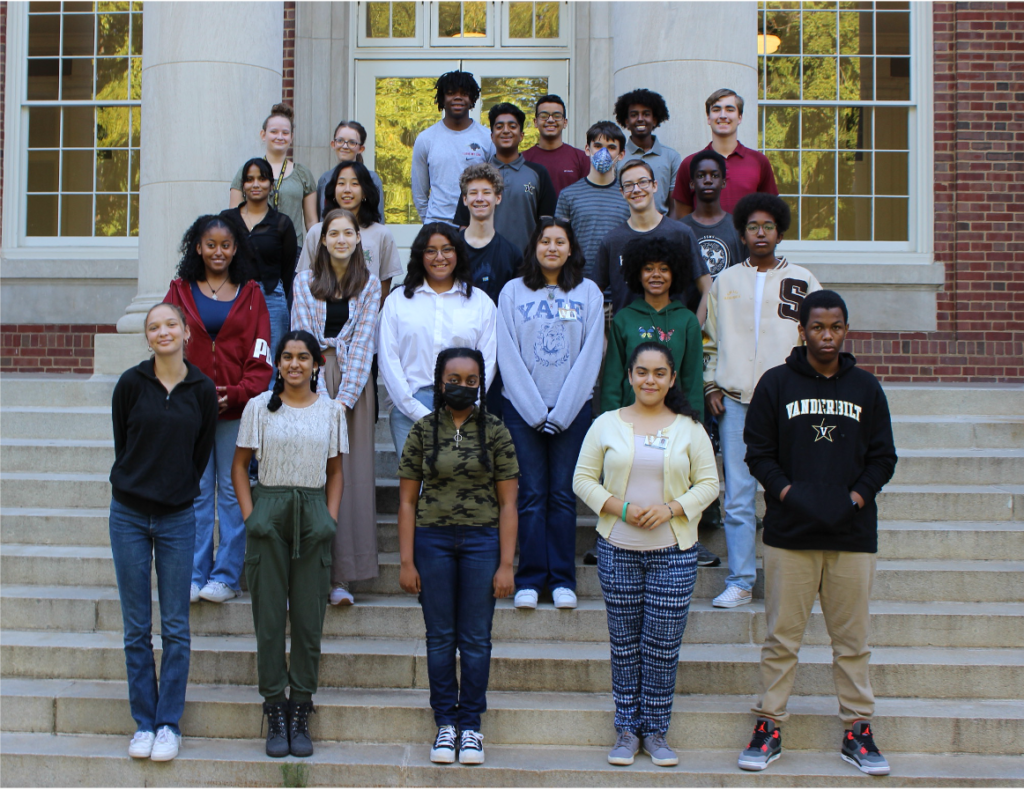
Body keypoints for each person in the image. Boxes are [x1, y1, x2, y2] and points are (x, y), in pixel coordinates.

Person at [738, 290, 897, 776]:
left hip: (851, 536)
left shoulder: (866, 388)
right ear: (801, 329)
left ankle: (857, 729)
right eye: (817, 327)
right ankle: (769, 725)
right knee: (782, 638)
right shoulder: (776, 384)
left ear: (846, 330)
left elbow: (883, 457)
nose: (826, 336)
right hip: (791, 534)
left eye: (836, 327)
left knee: (852, 642)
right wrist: (789, 496)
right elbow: (758, 453)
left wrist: (854, 499)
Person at [573, 342, 719, 768]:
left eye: (659, 373)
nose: (649, 380)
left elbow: (708, 485)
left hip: (673, 552)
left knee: (661, 646)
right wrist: (620, 507)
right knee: (624, 644)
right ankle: (625, 730)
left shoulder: (690, 428)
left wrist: (672, 509)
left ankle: (655, 731)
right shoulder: (605, 424)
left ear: (672, 379)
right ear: (630, 376)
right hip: (618, 549)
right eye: (642, 372)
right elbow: (582, 479)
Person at [397, 347, 519, 767]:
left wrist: (507, 564)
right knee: (439, 637)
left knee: (476, 639)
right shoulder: (423, 431)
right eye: (454, 379)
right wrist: (406, 560)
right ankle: (445, 723)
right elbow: (407, 503)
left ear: (481, 383)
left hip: (483, 542)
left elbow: (508, 504)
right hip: (432, 541)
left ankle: (471, 727)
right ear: (438, 381)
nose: (462, 387)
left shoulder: (497, 431)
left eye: (471, 381)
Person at [109, 303, 217, 763]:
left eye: (170, 323)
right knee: (137, 628)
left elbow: (200, 454)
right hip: (129, 515)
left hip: (177, 517)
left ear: (186, 331)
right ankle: (144, 722)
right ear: (147, 338)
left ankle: (169, 723)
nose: (162, 331)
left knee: (175, 626)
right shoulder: (131, 385)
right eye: (154, 327)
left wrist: (174, 489)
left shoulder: (202, 389)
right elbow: (123, 444)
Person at [703, 193, 822, 610]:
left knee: (787, 491)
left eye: (768, 227)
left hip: (788, 402)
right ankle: (740, 580)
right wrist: (710, 386)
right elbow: (710, 341)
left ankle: (789, 581)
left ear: (780, 232)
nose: (760, 233)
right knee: (737, 494)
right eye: (753, 227)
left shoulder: (805, 280)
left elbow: (819, 340)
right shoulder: (727, 281)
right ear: (741, 232)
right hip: (735, 401)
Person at [232, 331, 347, 759]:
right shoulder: (258, 408)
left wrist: (330, 520)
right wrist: (252, 516)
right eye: (287, 357)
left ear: (317, 364)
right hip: (270, 509)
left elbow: (336, 471)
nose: (294, 364)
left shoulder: (331, 411)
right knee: (267, 617)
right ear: (277, 363)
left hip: (313, 511)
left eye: (303, 357)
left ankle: (301, 706)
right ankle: (274, 707)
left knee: (307, 617)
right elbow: (240, 467)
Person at [164, 214, 274, 605]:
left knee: (231, 491)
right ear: (197, 247)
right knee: (193, 493)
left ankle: (226, 576)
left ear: (235, 249)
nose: (218, 252)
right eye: (210, 244)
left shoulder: (251, 293)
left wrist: (240, 393)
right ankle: (192, 575)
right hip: (190, 410)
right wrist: (189, 391)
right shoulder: (178, 292)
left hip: (235, 411)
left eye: (226, 245)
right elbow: (165, 345)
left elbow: (262, 355)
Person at [496, 217, 604, 610]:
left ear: (571, 248)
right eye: (545, 241)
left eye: (560, 241)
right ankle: (529, 579)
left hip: (572, 412)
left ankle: (562, 580)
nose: (553, 248)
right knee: (530, 495)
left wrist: (564, 409)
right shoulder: (512, 292)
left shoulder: (588, 292)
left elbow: (593, 353)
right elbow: (505, 353)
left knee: (562, 496)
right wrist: (534, 409)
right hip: (521, 412)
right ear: (534, 247)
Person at [601, 235, 720, 568]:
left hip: (675, 418)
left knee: (671, 480)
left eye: (664, 268)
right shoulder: (624, 319)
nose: (656, 275)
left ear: (676, 273)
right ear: (637, 274)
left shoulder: (685, 321)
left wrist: (695, 421)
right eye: (649, 268)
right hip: (630, 419)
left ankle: (683, 539)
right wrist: (608, 422)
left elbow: (694, 377)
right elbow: (612, 377)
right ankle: (613, 538)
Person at [291, 208, 382, 607]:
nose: (342, 239)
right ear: (322, 240)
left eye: (349, 232)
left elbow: (363, 344)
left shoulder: (371, 284)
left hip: (353, 390)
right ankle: (306, 574)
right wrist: (317, 398)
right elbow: (304, 337)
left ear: (358, 239)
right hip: (310, 378)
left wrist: (340, 402)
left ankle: (342, 577)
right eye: (334, 233)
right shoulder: (304, 281)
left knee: (350, 478)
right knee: (308, 477)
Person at [378, 223, 497, 457]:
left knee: (456, 488)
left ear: (458, 253)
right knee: (416, 489)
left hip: (464, 407)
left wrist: (470, 405)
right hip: (409, 407)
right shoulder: (398, 301)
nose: (439, 257)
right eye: (430, 250)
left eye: (447, 249)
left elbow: (488, 360)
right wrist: (413, 408)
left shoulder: (480, 302)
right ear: (420, 255)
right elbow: (388, 359)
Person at [593, 160, 712, 323]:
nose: (636, 189)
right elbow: (593, 297)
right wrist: (605, 341)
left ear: (654, 185)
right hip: (628, 342)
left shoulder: (681, 234)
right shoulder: (612, 241)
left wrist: (694, 334)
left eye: (643, 182)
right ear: (622, 192)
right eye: (629, 185)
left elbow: (708, 288)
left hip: (674, 340)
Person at [453, 102, 557, 256]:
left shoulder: (538, 173)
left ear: (521, 135)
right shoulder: (476, 175)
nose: (506, 131)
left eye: (512, 126)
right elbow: (464, 224)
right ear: (492, 136)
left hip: (526, 264)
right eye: (499, 126)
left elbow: (548, 225)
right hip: (484, 263)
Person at [222, 158, 298, 367]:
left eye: (262, 179)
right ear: (243, 185)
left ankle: (268, 401)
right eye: (249, 179)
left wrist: (270, 287)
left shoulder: (282, 223)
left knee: (272, 361)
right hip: (232, 296)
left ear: (271, 185)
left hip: (271, 297)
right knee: (234, 357)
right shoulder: (227, 219)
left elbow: (288, 268)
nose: (256, 184)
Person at [297, 161, 403, 304]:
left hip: (364, 318)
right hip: (320, 318)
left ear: (365, 191)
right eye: (341, 183)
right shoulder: (317, 232)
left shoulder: (382, 234)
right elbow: (303, 281)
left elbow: (383, 288)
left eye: (355, 184)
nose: (347, 190)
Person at [672, 89, 778, 218]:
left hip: (745, 238)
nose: (723, 115)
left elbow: (770, 215)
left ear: (740, 117)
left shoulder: (759, 162)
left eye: (730, 109)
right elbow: (683, 222)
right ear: (708, 118)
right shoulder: (690, 164)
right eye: (716, 110)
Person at [411, 71, 494, 225]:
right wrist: (430, 222)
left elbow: (494, 187)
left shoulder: (487, 138)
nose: (458, 97)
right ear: (442, 98)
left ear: (472, 99)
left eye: (464, 93)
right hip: (437, 225)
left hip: (475, 225)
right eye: (451, 93)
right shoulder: (426, 139)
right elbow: (419, 193)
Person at [230, 103, 318, 247]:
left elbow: (311, 221)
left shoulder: (303, 173)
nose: (279, 137)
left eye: (285, 132)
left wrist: (315, 254)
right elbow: (233, 216)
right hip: (253, 247)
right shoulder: (246, 171)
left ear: (291, 137)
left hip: (292, 250)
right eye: (274, 132)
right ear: (263, 135)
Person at [554, 121, 630, 280]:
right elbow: (559, 241)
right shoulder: (568, 195)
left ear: (621, 154)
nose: (604, 152)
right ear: (587, 149)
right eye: (598, 145)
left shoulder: (629, 194)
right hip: (579, 285)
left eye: (611, 147)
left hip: (621, 287)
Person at [677, 150, 748, 279]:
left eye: (714, 176)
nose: (708, 180)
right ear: (692, 184)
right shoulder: (680, 229)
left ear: (723, 182)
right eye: (701, 176)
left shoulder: (738, 228)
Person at [458, 162, 522, 305]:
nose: (480, 198)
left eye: (486, 192)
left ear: (498, 198)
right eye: (473, 192)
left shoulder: (512, 255)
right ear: (465, 199)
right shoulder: (450, 249)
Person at [613, 89, 682, 216]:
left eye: (646, 114)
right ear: (627, 121)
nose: (640, 119)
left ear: (654, 120)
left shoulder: (671, 157)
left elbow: (675, 205)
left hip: (662, 230)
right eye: (634, 115)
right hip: (625, 228)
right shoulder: (616, 156)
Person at [315, 120, 386, 221]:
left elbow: (378, 219)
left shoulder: (372, 178)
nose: (345, 146)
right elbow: (322, 218)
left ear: (361, 148)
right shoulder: (325, 179)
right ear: (333, 144)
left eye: (352, 142)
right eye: (340, 141)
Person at [522, 93, 589, 196]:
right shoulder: (523, 159)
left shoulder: (581, 158)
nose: (550, 120)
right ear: (535, 122)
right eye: (544, 116)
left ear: (565, 122)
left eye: (557, 116)